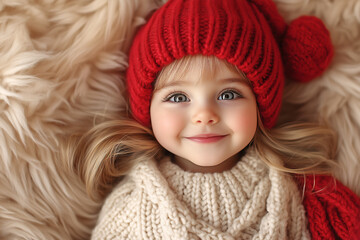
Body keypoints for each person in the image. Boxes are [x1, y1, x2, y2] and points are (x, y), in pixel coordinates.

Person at [70, 0, 360, 239]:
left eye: (229, 94)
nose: (205, 115)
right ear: (147, 111)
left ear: (261, 105)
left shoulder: (298, 196)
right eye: (178, 98)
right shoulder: (128, 208)